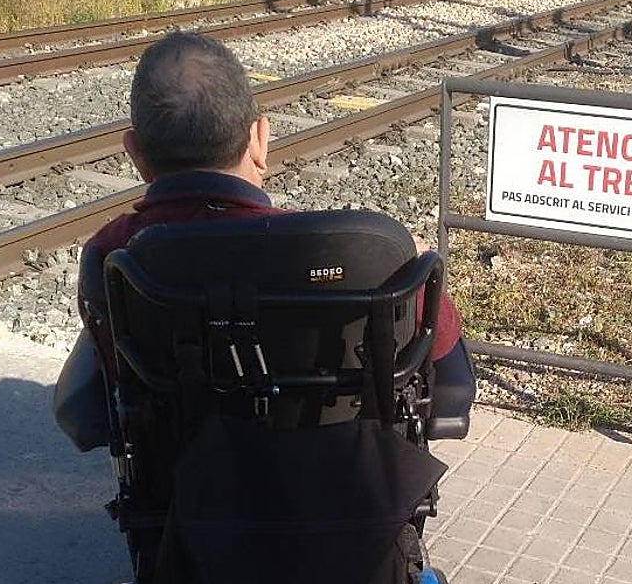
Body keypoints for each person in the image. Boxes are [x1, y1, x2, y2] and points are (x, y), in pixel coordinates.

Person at [76, 31, 463, 374]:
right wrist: (411, 263)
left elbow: (105, 383)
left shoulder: (112, 256)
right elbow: (449, 369)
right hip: (337, 436)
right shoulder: (365, 253)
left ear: (135, 154)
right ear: (260, 140)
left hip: (175, 437)